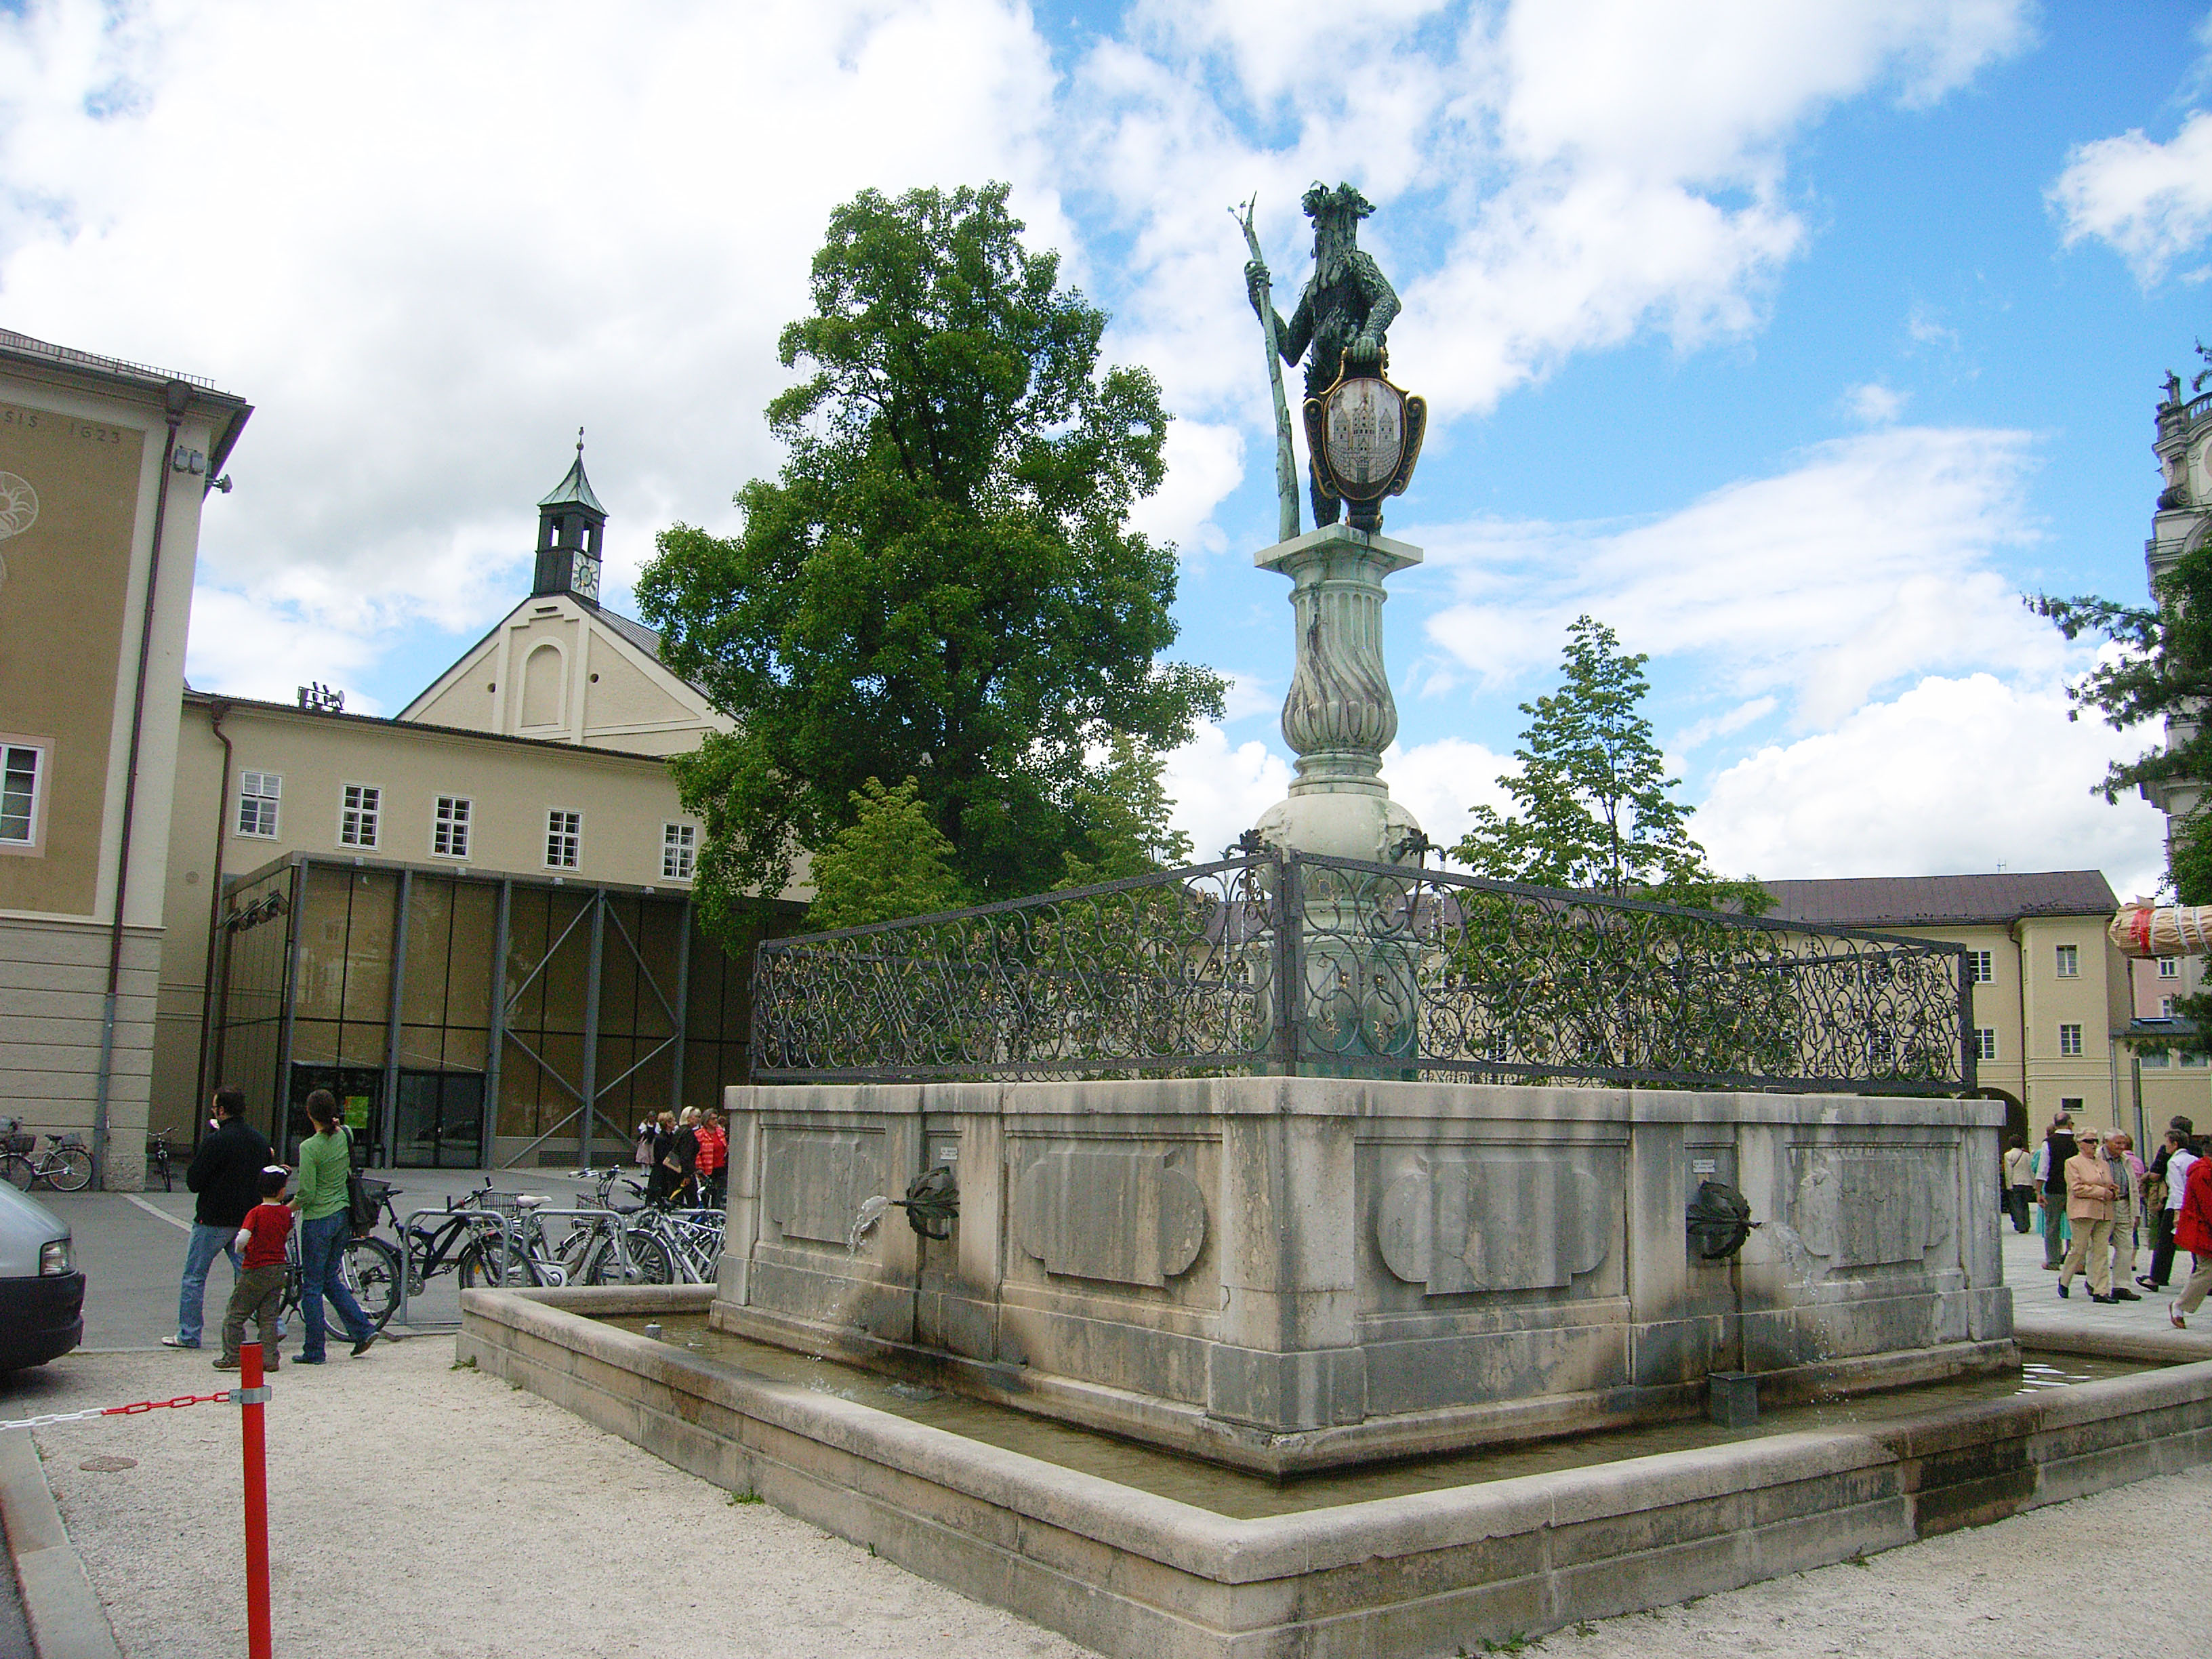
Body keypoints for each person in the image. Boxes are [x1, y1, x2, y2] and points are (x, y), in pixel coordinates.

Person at [163, 1086, 272, 1351]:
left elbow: (194, 1181)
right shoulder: (258, 1141)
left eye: (214, 1108)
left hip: (211, 1219)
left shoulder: (215, 1141)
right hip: (246, 1219)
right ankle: (273, 1327)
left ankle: (189, 1334)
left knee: (195, 1277)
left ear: (221, 1111)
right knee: (250, 1275)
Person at [293, 1090, 375, 1363]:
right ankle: (362, 1329)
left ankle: (314, 1349)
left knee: (313, 1286)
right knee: (330, 1278)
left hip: (318, 1218)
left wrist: (286, 1209)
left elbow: (306, 1193)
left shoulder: (309, 1148)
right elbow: (342, 1128)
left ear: (309, 1114)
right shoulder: (345, 1135)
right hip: (343, 1214)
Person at [215, 1168, 292, 1372]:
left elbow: (242, 1238)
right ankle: (269, 1358)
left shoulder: (256, 1213)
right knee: (268, 1316)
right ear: (282, 1191)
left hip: (256, 1267)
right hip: (277, 1267)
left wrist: (241, 1250)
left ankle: (233, 1354)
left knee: (236, 1313)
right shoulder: (286, 1212)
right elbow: (289, 1235)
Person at [2059, 1128, 2120, 1302]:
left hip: (2104, 1211)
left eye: (2095, 1141)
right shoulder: (2072, 1163)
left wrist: (2113, 1192)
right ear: (2079, 1143)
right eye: (2089, 1141)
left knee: (2101, 1251)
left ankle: (2101, 1290)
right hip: (2083, 1211)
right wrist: (2101, 1192)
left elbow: (2110, 1184)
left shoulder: (2103, 1163)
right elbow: (2076, 1188)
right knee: (2079, 1249)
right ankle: (2065, 1280)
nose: (2093, 1145)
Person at [2142, 1118, 2194, 1292]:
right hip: (2195, 1203)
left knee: (2165, 1241)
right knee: (2197, 1241)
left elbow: (2171, 1184)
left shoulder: (2171, 1159)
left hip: (2175, 1205)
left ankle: (2157, 1277)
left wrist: (2178, 1211)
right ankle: (2203, 1276)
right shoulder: (2196, 1153)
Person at [2170, 1139, 2212, 1329]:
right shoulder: (2202, 1172)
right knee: (2206, 1270)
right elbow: (2207, 1206)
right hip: (2203, 1230)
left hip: (2204, 1228)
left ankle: (2180, 1305)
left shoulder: (2203, 1170)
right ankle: (2179, 1305)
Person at [2100, 1131, 2144, 1300]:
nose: (2121, 1147)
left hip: (2124, 1204)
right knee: (2099, 1246)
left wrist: (2136, 1212)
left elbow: (2133, 1185)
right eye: (2117, 1143)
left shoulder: (2125, 1160)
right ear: (2106, 1142)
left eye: (2123, 1143)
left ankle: (2121, 1286)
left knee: (2126, 1246)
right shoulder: (2097, 1158)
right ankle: (2097, 1284)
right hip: (2105, 1205)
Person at [2036, 1115, 2077, 1270]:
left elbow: (2043, 1169)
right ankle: (2078, 1260)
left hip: (2054, 1188)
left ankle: (2053, 1261)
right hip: (2075, 1189)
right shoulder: (2077, 1142)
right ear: (2069, 1124)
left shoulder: (2049, 1143)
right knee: (2077, 1225)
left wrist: (2039, 1190)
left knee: (2052, 1226)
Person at [695, 1108, 729, 1210]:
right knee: (706, 1194)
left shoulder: (720, 1132)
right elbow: (697, 1153)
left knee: (718, 1196)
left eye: (716, 1119)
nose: (715, 1121)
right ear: (707, 1120)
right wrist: (699, 1168)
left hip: (720, 1168)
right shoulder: (700, 1134)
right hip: (707, 1169)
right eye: (713, 1119)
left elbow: (724, 1147)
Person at [643, 1111, 678, 1203]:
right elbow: (662, 1156)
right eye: (673, 1121)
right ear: (668, 1124)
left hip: (668, 1172)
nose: (675, 1123)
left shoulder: (672, 1137)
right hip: (661, 1173)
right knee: (659, 1199)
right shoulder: (661, 1139)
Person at [2002, 1135, 2035, 1233]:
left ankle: (2020, 1225)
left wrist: (2009, 1185)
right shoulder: (2027, 1155)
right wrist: (2033, 1184)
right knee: (2025, 1204)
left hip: (2016, 1182)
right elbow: (2031, 1170)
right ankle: (2027, 1224)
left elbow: (2008, 1172)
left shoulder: (2008, 1155)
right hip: (2027, 1182)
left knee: (2017, 1205)